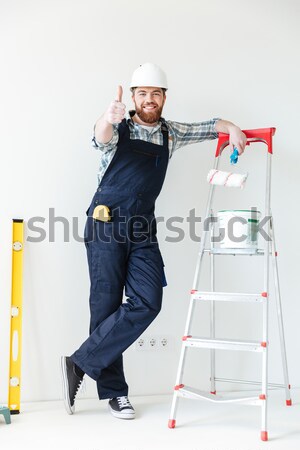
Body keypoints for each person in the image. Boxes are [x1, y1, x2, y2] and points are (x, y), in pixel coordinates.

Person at [61, 63, 247, 420]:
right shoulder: (118, 126)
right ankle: (115, 393)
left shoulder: (170, 133)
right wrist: (106, 115)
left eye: (156, 94)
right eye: (142, 93)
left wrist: (233, 129)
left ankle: (79, 363)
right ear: (132, 98)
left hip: (143, 231)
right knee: (105, 307)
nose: (149, 99)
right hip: (105, 225)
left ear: (164, 98)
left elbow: (211, 126)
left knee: (148, 300)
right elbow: (101, 136)